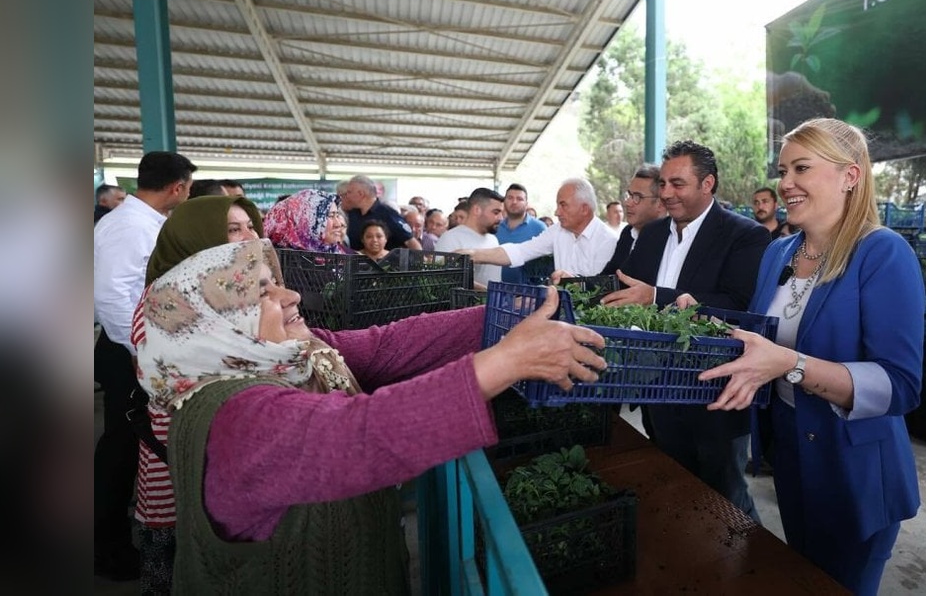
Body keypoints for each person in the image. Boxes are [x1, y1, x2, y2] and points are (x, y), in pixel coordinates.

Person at [138, 239, 604, 593]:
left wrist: (504, 316)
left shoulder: (294, 356)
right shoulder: (235, 417)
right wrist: (507, 361)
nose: (291, 294)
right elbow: (360, 434)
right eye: (263, 291)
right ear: (218, 327)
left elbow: (388, 346)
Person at [683, 119, 923, 594]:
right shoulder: (779, 252)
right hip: (790, 451)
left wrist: (791, 365)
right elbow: (764, 334)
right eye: (783, 170)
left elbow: (899, 385)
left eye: (801, 168)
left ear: (850, 176)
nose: (786, 183)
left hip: (855, 469)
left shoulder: (882, 253)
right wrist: (703, 317)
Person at [599, 141, 770, 523]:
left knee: (726, 497)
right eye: (663, 184)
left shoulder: (745, 235)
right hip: (658, 389)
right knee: (675, 486)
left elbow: (738, 305)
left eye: (678, 184)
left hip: (714, 393)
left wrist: (656, 296)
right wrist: (574, 285)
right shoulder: (653, 233)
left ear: (708, 184)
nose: (666, 193)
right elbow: (625, 286)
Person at [132, 194, 264, 594]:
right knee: (175, 560)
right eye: (233, 229)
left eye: (251, 226)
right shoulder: (165, 300)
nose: (250, 237)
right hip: (178, 449)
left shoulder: (234, 288)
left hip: (225, 453)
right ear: (196, 238)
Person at [94, 151, 196, 581]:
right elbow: (112, 294)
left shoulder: (142, 222)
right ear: (177, 187)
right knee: (120, 449)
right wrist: (138, 351)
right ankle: (107, 549)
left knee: (131, 446)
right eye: (188, 188)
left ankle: (116, 539)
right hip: (127, 349)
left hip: (137, 345)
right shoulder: (131, 226)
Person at [465, 178, 618, 278]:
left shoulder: (608, 240)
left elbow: (599, 289)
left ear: (584, 209)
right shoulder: (558, 231)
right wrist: (472, 255)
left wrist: (574, 282)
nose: (557, 212)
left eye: (563, 205)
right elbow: (521, 251)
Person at [550, 165, 666, 282]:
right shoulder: (628, 233)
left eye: (637, 197)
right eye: (629, 195)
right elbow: (608, 279)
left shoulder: (669, 241)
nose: (627, 203)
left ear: (660, 204)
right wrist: (574, 281)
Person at [435, 188, 505, 289]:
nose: (501, 218)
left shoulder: (493, 239)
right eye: (496, 212)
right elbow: (442, 277)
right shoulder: (450, 238)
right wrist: (487, 291)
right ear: (477, 210)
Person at [341, 175, 419, 251]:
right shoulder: (352, 214)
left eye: (349, 192)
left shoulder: (388, 214)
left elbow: (412, 243)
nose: (347, 196)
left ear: (361, 194)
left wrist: (420, 259)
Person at [264, 189, 351, 253]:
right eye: (331, 216)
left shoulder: (337, 254)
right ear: (305, 222)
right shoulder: (282, 261)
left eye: (337, 215)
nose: (338, 224)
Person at [495, 183, 548, 284]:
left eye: (519, 199)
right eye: (510, 198)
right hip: (496, 289)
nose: (514, 202)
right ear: (504, 201)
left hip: (530, 291)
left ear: (526, 204)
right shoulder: (495, 227)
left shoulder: (539, 228)